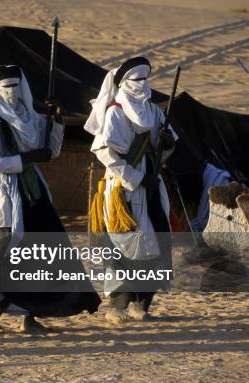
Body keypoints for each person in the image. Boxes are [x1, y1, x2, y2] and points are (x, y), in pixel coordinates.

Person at [0, 65, 101, 336]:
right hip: (5, 197)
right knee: (5, 257)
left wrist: (56, 121)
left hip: (34, 194)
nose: (11, 92)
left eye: (15, 86)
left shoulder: (31, 119)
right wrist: (27, 158)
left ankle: (30, 318)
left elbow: (50, 152)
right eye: (5, 87)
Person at [85, 57, 177, 324]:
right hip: (124, 191)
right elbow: (106, 152)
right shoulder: (115, 112)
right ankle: (117, 306)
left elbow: (165, 148)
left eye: (145, 79)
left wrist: (169, 143)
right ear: (123, 83)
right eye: (136, 79)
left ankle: (142, 303)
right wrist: (136, 179)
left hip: (152, 187)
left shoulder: (155, 112)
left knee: (159, 243)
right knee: (124, 247)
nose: (141, 84)